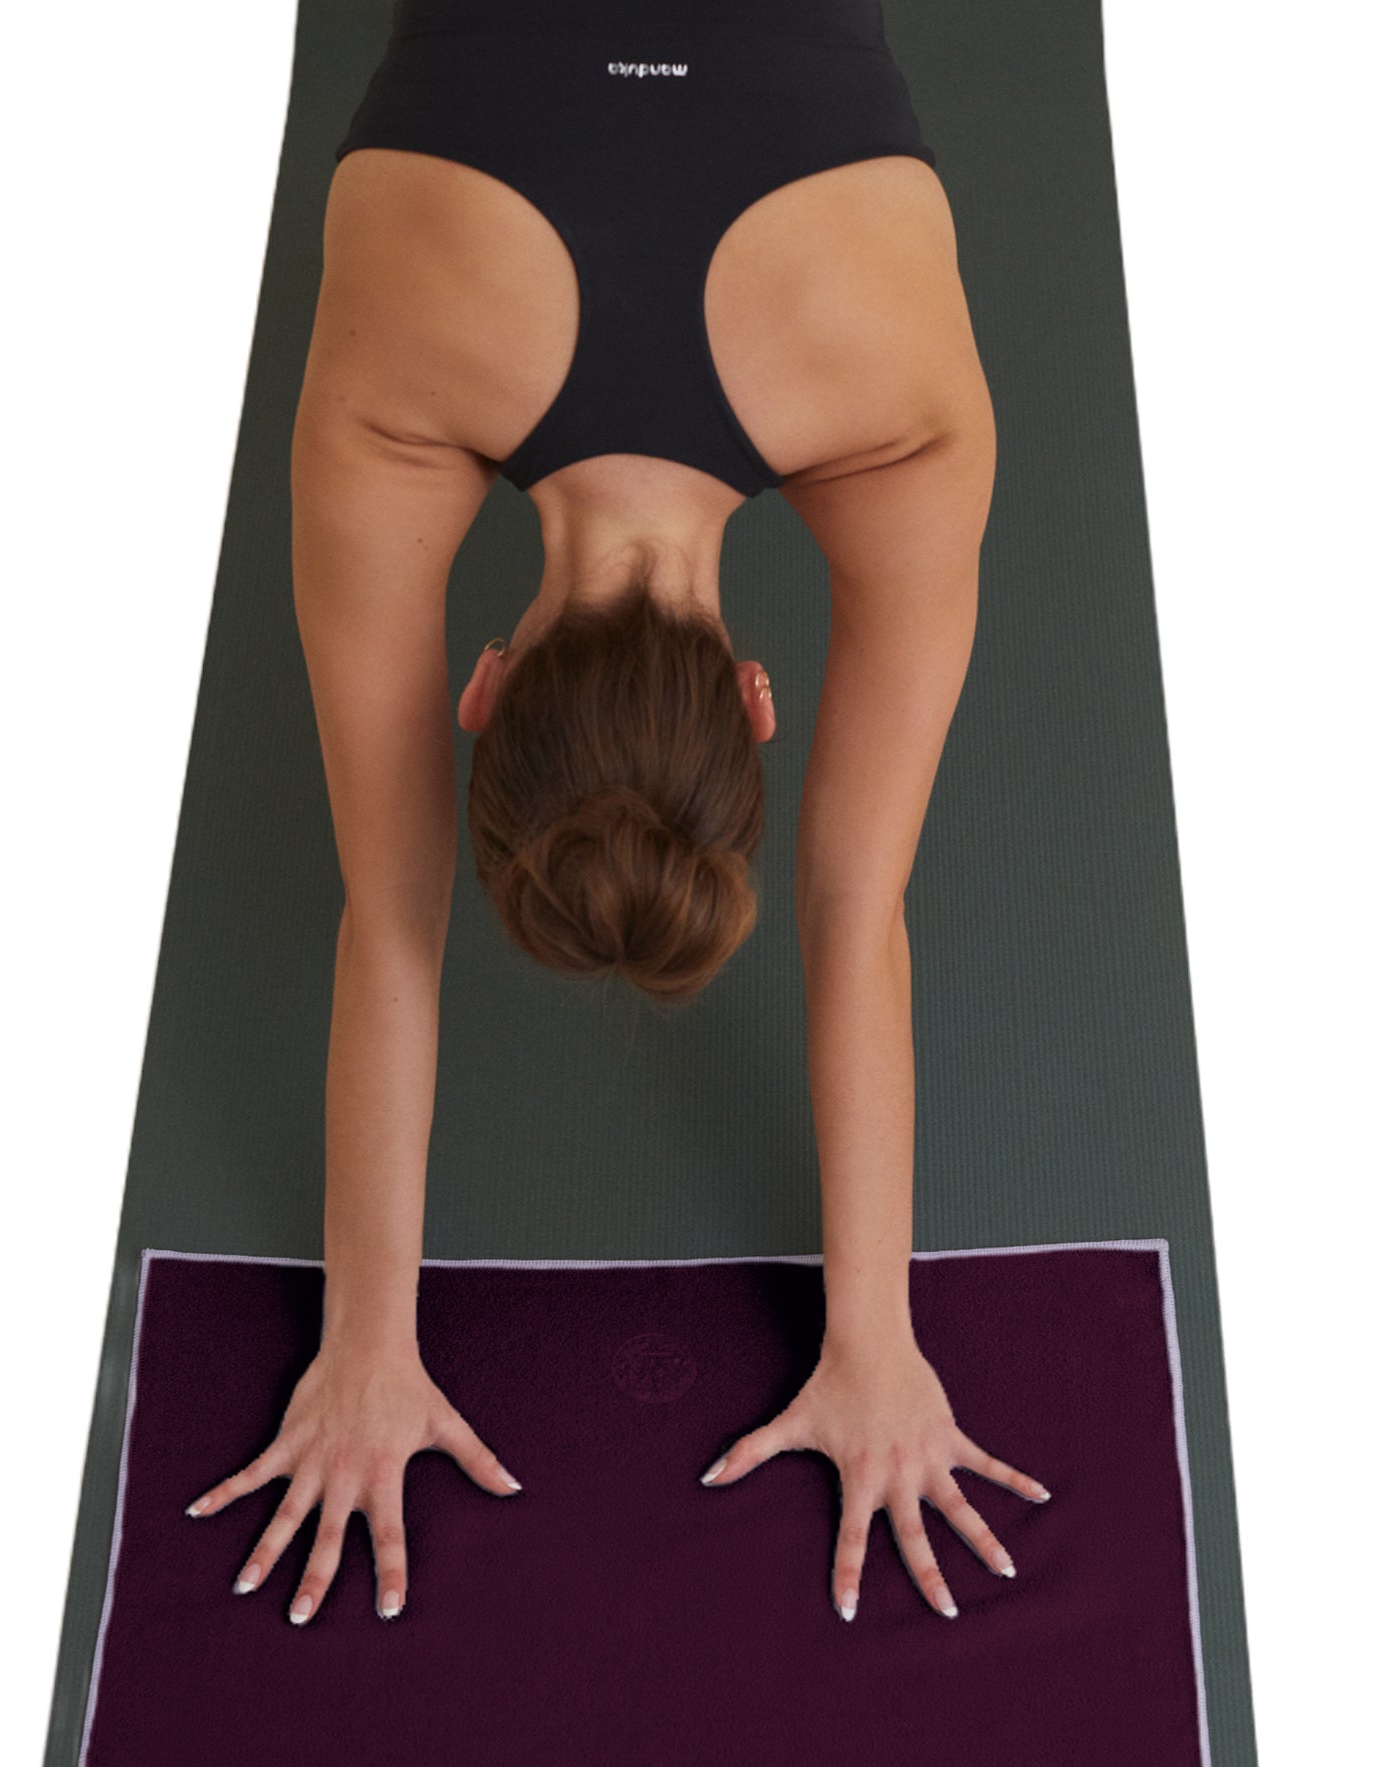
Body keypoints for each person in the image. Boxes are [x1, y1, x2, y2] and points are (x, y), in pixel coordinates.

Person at [185, 0, 1050, 1629]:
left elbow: (858, 913)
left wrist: (881, 1343)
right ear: (488, 688)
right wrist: (365, 1343)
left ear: (754, 702)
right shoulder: (391, 405)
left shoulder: (903, 429)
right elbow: (389, 917)